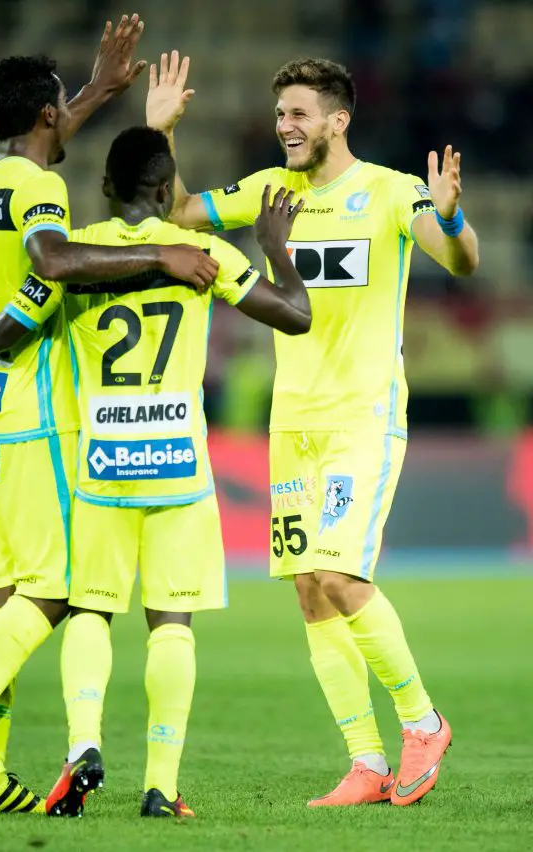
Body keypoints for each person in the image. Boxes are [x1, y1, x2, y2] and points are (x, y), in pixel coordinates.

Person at [0, 17, 220, 822]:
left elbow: (42, 151)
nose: (67, 120)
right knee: (53, 593)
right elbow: (53, 259)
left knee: (3, 591)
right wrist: (161, 253)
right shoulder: (41, 191)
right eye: (62, 107)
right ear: (44, 115)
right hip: (30, 411)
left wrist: (101, 88)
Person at [146, 52, 479, 807]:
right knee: (308, 589)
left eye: (298, 114)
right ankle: (365, 763)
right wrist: (162, 133)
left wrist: (451, 215)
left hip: (364, 416)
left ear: (338, 119)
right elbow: (181, 211)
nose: (284, 126)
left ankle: (423, 722)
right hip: (293, 420)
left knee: (339, 575)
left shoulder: (390, 191)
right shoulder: (271, 189)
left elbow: (461, 261)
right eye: (279, 114)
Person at [0, 126, 311, 818]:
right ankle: (160, 786)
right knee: (171, 623)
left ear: (105, 188)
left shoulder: (75, 256)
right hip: (177, 463)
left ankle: (82, 745)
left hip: (100, 462)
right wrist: (274, 250)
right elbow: (295, 316)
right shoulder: (203, 253)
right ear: (166, 190)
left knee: (90, 609)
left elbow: (7, 331)